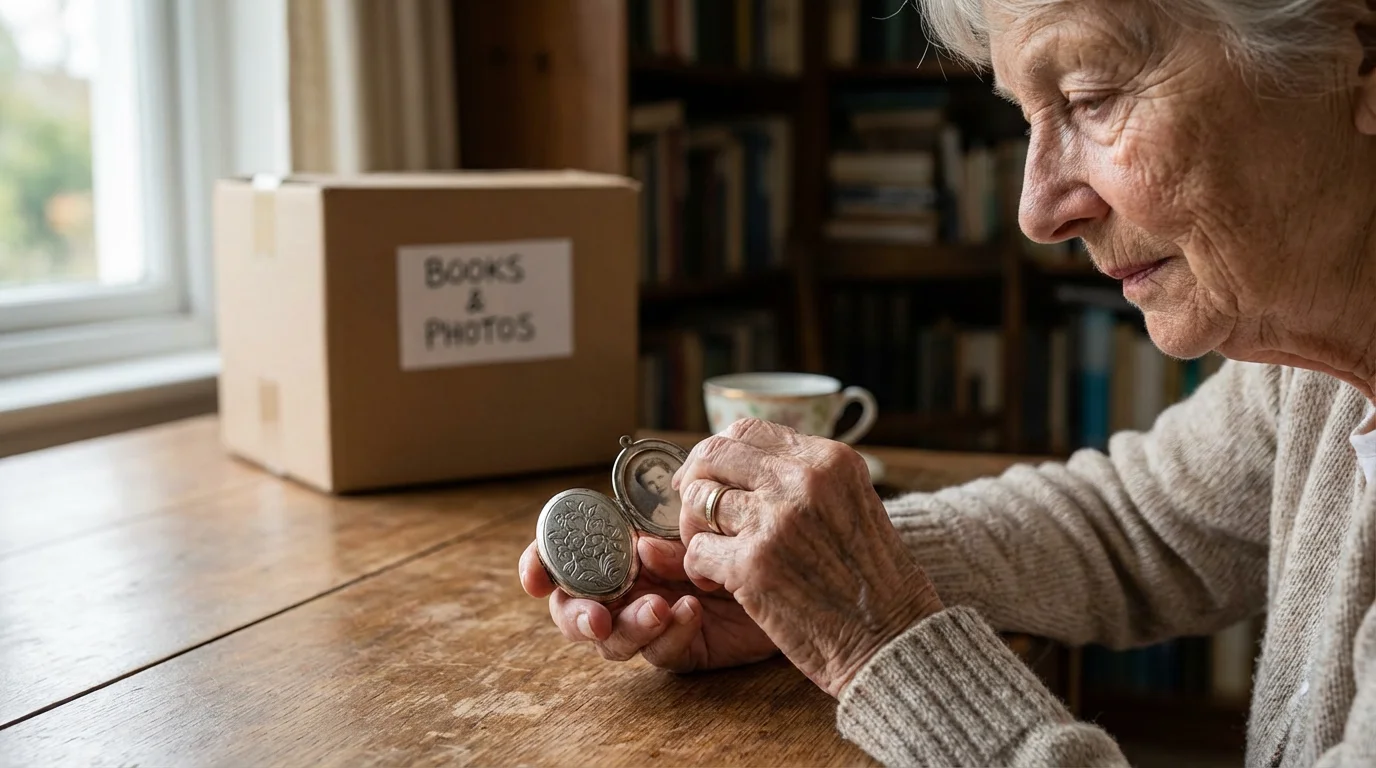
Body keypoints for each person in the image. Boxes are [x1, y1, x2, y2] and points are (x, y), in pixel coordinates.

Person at [519, 0, 1376, 763]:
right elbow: (1134, 524)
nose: (1038, 211)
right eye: (1030, 117)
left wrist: (880, 639)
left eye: (1091, 98)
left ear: (1360, 56)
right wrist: (801, 578)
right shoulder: (1320, 368)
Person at [633, 457, 680, 529]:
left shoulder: (688, 490)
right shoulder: (658, 517)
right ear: (646, 490)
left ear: (670, 472)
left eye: (660, 477)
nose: (658, 485)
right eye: (651, 483)